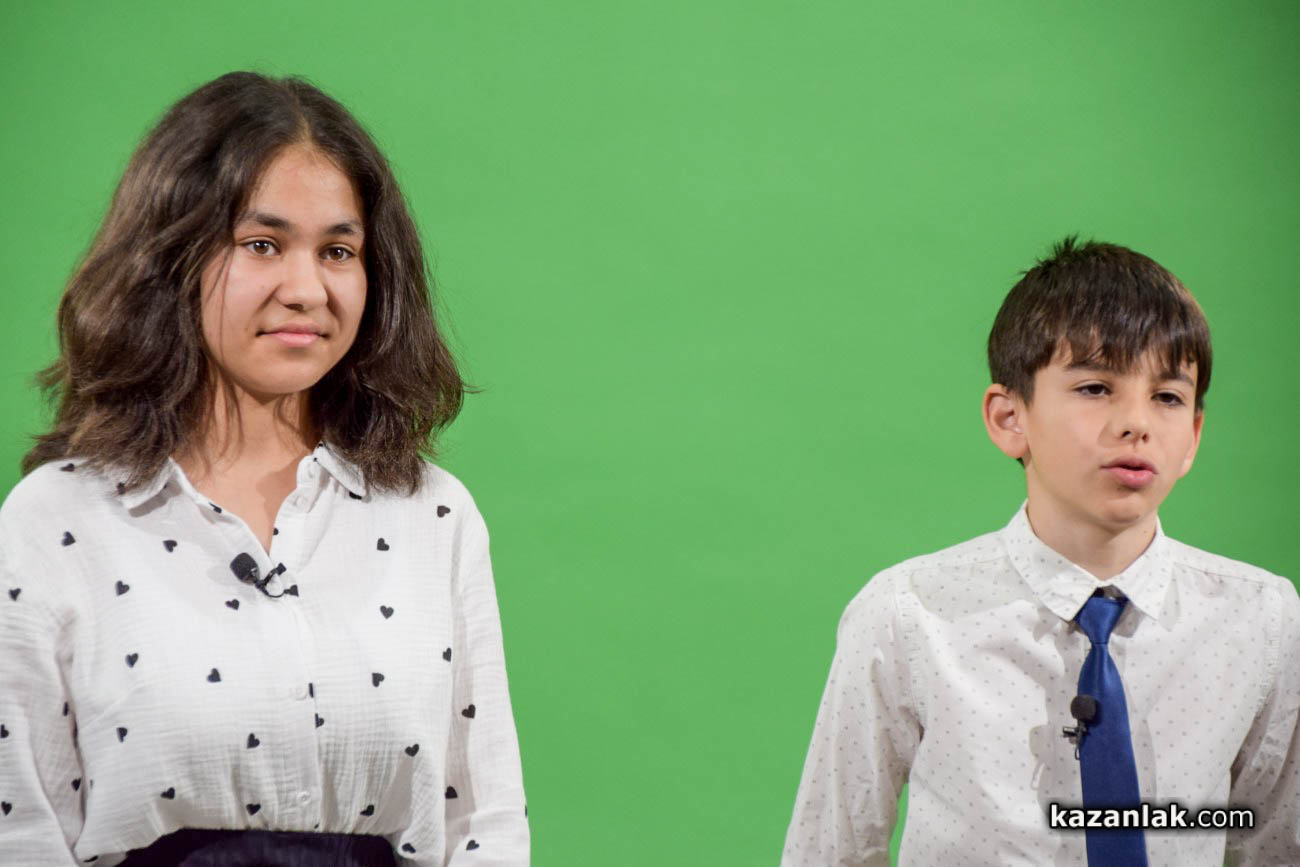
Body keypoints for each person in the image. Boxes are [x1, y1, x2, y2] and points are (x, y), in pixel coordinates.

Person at [0, 72, 528, 865]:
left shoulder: (433, 515)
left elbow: (484, 826)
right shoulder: (58, 521)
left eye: (339, 251)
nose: (306, 289)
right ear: (171, 257)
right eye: (262, 245)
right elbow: (19, 828)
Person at [781, 238, 1300, 865]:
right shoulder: (908, 615)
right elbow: (828, 850)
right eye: (1096, 387)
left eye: (1167, 397)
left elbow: (1276, 846)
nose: (1136, 423)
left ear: (1192, 436)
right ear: (1009, 418)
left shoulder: (1263, 619)